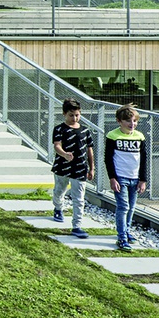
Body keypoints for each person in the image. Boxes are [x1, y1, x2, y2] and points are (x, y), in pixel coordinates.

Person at [105, 105, 149, 250]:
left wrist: (143, 180)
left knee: (131, 207)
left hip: (135, 178)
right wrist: (112, 178)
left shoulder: (140, 136)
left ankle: (127, 230)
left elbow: (144, 159)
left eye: (134, 121)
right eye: (128, 121)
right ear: (119, 121)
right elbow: (108, 159)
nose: (132, 124)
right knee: (123, 207)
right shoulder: (113, 136)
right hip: (120, 178)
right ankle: (122, 237)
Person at [51, 99, 95, 238]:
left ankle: (77, 226)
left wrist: (92, 168)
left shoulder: (85, 130)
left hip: (80, 168)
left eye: (77, 115)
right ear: (64, 114)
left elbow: (89, 150)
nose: (74, 118)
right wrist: (64, 154)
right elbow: (57, 145)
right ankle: (58, 208)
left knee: (79, 198)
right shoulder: (59, 129)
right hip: (62, 166)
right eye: (71, 115)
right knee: (59, 191)